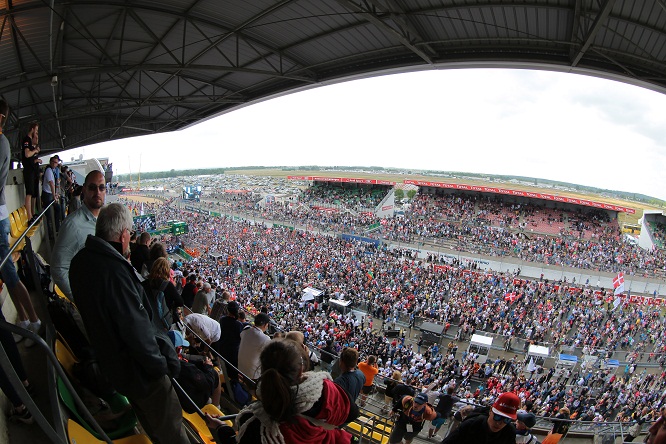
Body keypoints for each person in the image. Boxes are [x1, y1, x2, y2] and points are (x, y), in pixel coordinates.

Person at [69, 203, 188, 444]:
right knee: (172, 431)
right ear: (123, 235)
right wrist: (160, 367)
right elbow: (137, 331)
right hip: (140, 373)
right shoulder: (115, 271)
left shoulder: (80, 262)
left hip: (113, 365)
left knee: (150, 424)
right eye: (130, 234)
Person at [209, 338, 358, 444]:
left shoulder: (253, 423)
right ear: (301, 369)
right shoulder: (327, 391)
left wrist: (221, 427)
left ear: (263, 370)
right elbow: (352, 412)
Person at [0, 100, 41, 347]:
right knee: (9, 275)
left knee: (11, 277)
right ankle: (26, 320)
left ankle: (33, 320)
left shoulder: (1, 143)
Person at [51, 170, 106, 301]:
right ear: (84, 190)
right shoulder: (72, 225)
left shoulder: (104, 219)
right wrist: (80, 300)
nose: (97, 192)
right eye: (92, 188)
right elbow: (58, 268)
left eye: (101, 187)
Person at [441, 392, 518, 444]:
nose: (499, 423)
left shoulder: (509, 432)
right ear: (491, 410)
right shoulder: (472, 424)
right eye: (497, 416)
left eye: (507, 419)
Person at [141, 257, 184, 331]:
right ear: (167, 270)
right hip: (161, 321)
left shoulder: (144, 283)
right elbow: (180, 302)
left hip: (145, 316)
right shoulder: (168, 285)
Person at [214, 300, 243, 380]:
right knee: (233, 372)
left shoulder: (222, 320)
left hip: (222, 348)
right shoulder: (239, 325)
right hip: (233, 352)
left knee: (225, 368)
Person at [238, 313, 271, 380]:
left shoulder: (245, 330)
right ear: (265, 325)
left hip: (240, 369)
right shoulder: (265, 338)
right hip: (252, 375)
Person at [20, 122, 40, 222]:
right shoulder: (26, 140)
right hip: (28, 170)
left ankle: (32, 214)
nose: (36, 133)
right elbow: (27, 154)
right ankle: (29, 217)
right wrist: (35, 151)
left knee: (32, 193)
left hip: (32, 171)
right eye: (36, 131)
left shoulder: (30, 142)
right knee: (29, 193)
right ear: (32, 129)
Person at [41, 156, 62, 237]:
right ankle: (50, 234)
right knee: (48, 215)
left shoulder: (53, 171)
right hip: (47, 194)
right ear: (50, 162)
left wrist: (55, 194)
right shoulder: (49, 170)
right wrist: (54, 195)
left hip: (50, 193)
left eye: (56, 162)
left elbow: (55, 184)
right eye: (53, 162)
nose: (54, 164)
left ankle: (56, 228)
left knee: (57, 209)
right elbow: (51, 184)